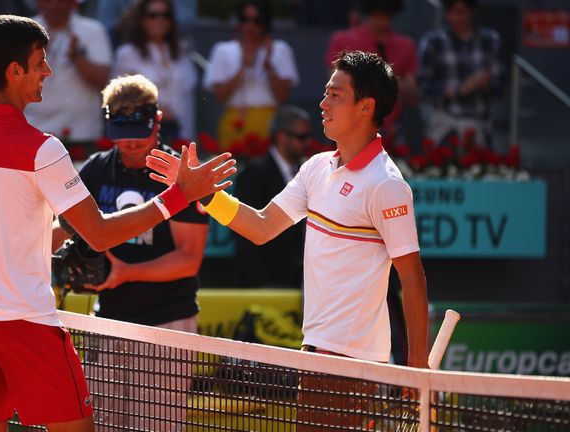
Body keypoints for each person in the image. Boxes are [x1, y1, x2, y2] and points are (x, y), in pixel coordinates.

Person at [0, 15, 236, 431]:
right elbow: (97, 233)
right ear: (15, 70)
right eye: (40, 61)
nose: (48, 71)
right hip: (28, 329)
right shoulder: (43, 149)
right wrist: (179, 195)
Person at [147, 50, 429, 428]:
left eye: (335, 95)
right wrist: (205, 195)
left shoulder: (387, 186)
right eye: (326, 93)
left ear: (367, 107)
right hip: (314, 353)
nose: (322, 103)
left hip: (353, 362)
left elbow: (412, 278)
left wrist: (417, 364)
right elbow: (262, 226)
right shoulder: (315, 168)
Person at [70, 73, 206, 431]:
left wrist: (126, 272)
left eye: (139, 129)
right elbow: (67, 229)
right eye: (120, 131)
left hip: (167, 323)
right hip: (107, 319)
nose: (129, 142)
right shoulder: (97, 168)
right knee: (100, 427)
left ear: (157, 120)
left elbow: (189, 259)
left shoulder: (182, 174)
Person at [203, 0, 299, 149]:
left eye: (257, 21)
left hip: (268, 122)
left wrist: (269, 67)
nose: (250, 26)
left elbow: (283, 96)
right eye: (244, 19)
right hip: (234, 121)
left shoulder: (280, 49)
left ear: (266, 23)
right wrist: (243, 67)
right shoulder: (223, 49)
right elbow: (220, 96)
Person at [232, 105, 310, 288]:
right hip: (263, 285)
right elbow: (244, 233)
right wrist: (261, 284)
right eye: (301, 137)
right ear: (282, 136)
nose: (307, 143)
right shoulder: (254, 174)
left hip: (298, 283)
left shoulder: (306, 172)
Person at [325, 0, 418, 143]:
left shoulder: (406, 45)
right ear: (368, 14)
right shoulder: (342, 40)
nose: (382, 23)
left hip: (390, 129)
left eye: (386, 16)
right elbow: (334, 85)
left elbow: (412, 96)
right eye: (376, 16)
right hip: (346, 128)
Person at [24, 0, 112, 141]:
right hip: (32, 129)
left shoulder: (93, 30)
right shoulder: (23, 30)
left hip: (81, 132)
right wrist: (38, 56)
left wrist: (77, 57)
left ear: (73, 4)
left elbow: (103, 81)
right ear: (39, 3)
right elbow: (12, 80)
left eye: (63, 1)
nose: (57, 5)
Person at [418, 0, 501, 148]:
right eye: (452, 12)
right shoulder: (433, 42)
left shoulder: (490, 40)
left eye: (461, 12)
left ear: (472, 11)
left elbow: (500, 84)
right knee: (443, 168)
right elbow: (423, 86)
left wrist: (485, 83)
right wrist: (457, 89)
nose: (457, 18)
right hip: (446, 123)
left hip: (480, 123)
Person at [113, 0, 197, 142]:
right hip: (145, 134)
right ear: (142, 19)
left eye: (166, 15)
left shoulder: (182, 50)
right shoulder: (128, 53)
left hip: (183, 134)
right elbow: (120, 99)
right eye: (153, 15)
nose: (160, 20)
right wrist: (154, 109)